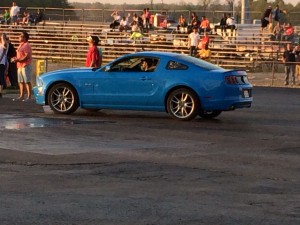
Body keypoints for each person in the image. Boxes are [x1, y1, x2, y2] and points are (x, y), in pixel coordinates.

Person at [12, 31, 32, 101]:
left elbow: (26, 56)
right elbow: (20, 55)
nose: (19, 37)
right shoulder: (21, 45)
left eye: (21, 36)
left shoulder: (26, 45)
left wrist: (18, 60)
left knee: (27, 81)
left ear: (25, 38)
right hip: (20, 65)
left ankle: (29, 96)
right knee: (20, 81)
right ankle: (21, 95)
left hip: (25, 65)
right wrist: (15, 58)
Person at [0, 33, 8, 98]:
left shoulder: (4, 44)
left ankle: (1, 92)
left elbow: (4, 47)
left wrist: (3, 38)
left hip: (1, 63)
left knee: (1, 77)